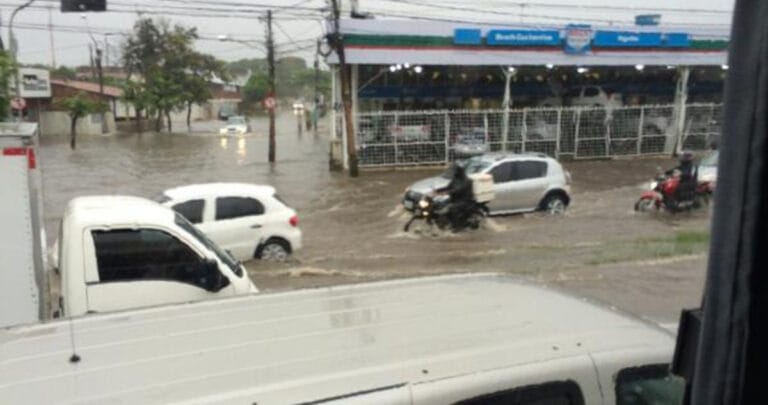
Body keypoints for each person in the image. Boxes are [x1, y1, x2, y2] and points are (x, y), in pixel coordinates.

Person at [437, 163, 475, 229]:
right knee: (439, 205)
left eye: (456, 171)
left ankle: (457, 226)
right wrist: (438, 190)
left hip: (464, 201)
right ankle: (442, 221)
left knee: (451, 208)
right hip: (454, 199)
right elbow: (448, 187)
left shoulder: (466, 181)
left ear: (460, 172)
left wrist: (446, 192)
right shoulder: (455, 179)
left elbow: (458, 190)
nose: (454, 173)